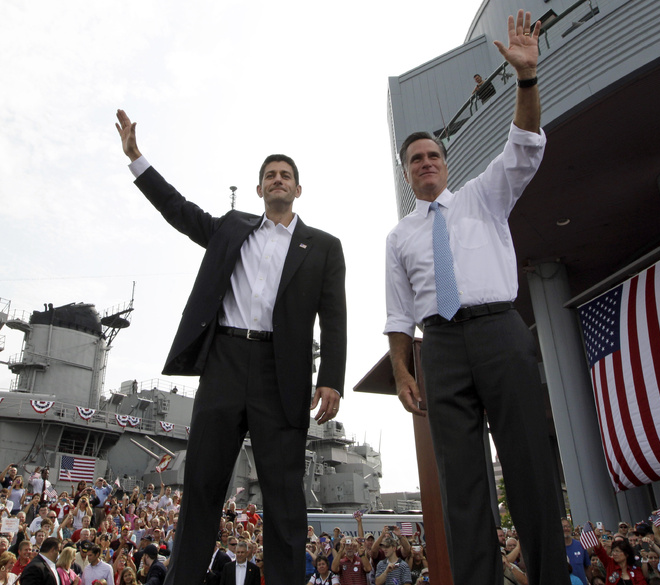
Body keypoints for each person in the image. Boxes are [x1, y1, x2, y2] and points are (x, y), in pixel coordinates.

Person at [115, 109, 346, 585]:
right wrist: (137, 159)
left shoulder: (323, 246)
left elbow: (335, 315)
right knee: (201, 485)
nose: (277, 180)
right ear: (259, 189)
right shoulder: (230, 229)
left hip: (279, 373)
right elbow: (179, 211)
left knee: (284, 495)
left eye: (285, 175)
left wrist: (332, 379)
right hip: (223, 362)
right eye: (269, 176)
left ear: (298, 190)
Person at [384, 9, 568, 585]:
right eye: (416, 160)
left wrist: (527, 78)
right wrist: (401, 368)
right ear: (407, 173)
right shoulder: (399, 237)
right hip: (438, 346)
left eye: (434, 156)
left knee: (530, 466)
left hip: (498, 332)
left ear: (446, 163)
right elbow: (396, 311)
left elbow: (526, 146)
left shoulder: (484, 196)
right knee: (461, 484)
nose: (427, 164)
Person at [563, 519, 591, 585]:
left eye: (568, 526)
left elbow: (587, 568)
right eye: (563, 526)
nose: (566, 529)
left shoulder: (580, 545)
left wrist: (592, 581)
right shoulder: (556, 548)